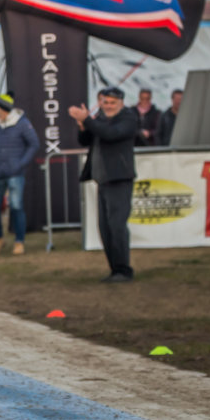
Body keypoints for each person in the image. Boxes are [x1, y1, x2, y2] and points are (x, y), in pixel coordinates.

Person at [68, 86, 137, 282]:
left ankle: (123, 269)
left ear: (121, 103)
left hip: (119, 179)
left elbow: (111, 134)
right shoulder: (99, 119)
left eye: (112, 103)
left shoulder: (128, 117)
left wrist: (88, 120)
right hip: (102, 179)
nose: (108, 106)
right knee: (104, 227)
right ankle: (114, 269)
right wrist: (83, 124)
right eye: (105, 102)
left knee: (117, 226)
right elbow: (85, 140)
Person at [0, 92, 39, 255]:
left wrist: (20, 164)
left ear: (3, 108)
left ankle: (19, 241)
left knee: (16, 206)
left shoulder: (22, 124)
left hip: (15, 173)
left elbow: (34, 144)